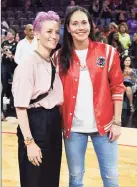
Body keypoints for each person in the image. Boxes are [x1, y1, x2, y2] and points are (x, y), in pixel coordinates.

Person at [53, 6, 125, 187]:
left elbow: (117, 87)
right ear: (67, 28)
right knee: (76, 178)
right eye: (74, 23)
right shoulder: (58, 57)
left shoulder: (107, 52)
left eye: (84, 22)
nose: (80, 27)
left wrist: (117, 122)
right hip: (73, 128)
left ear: (91, 25)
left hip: (106, 126)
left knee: (111, 177)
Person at [12, 11, 63, 187]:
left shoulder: (51, 62)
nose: (54, 36)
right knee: (34, 178)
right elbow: (20, 107)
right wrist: (29, 142)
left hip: (54, 122)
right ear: (37, 33)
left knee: (50, 178)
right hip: (36, 123)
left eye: (57, 32)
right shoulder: (28, 63)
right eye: (49, 31)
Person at [1, 28, 17, 120]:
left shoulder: (16, 44)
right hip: (4, 66)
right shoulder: (4, 43)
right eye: (7, 34)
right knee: (5, 87)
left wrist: (11, 55)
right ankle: (4, 109)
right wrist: (4, 52)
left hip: (12, 67)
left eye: (10, 33)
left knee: (13, 88)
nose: (8, 35)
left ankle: (13, 108)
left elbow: (16, 56)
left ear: (13, 35)